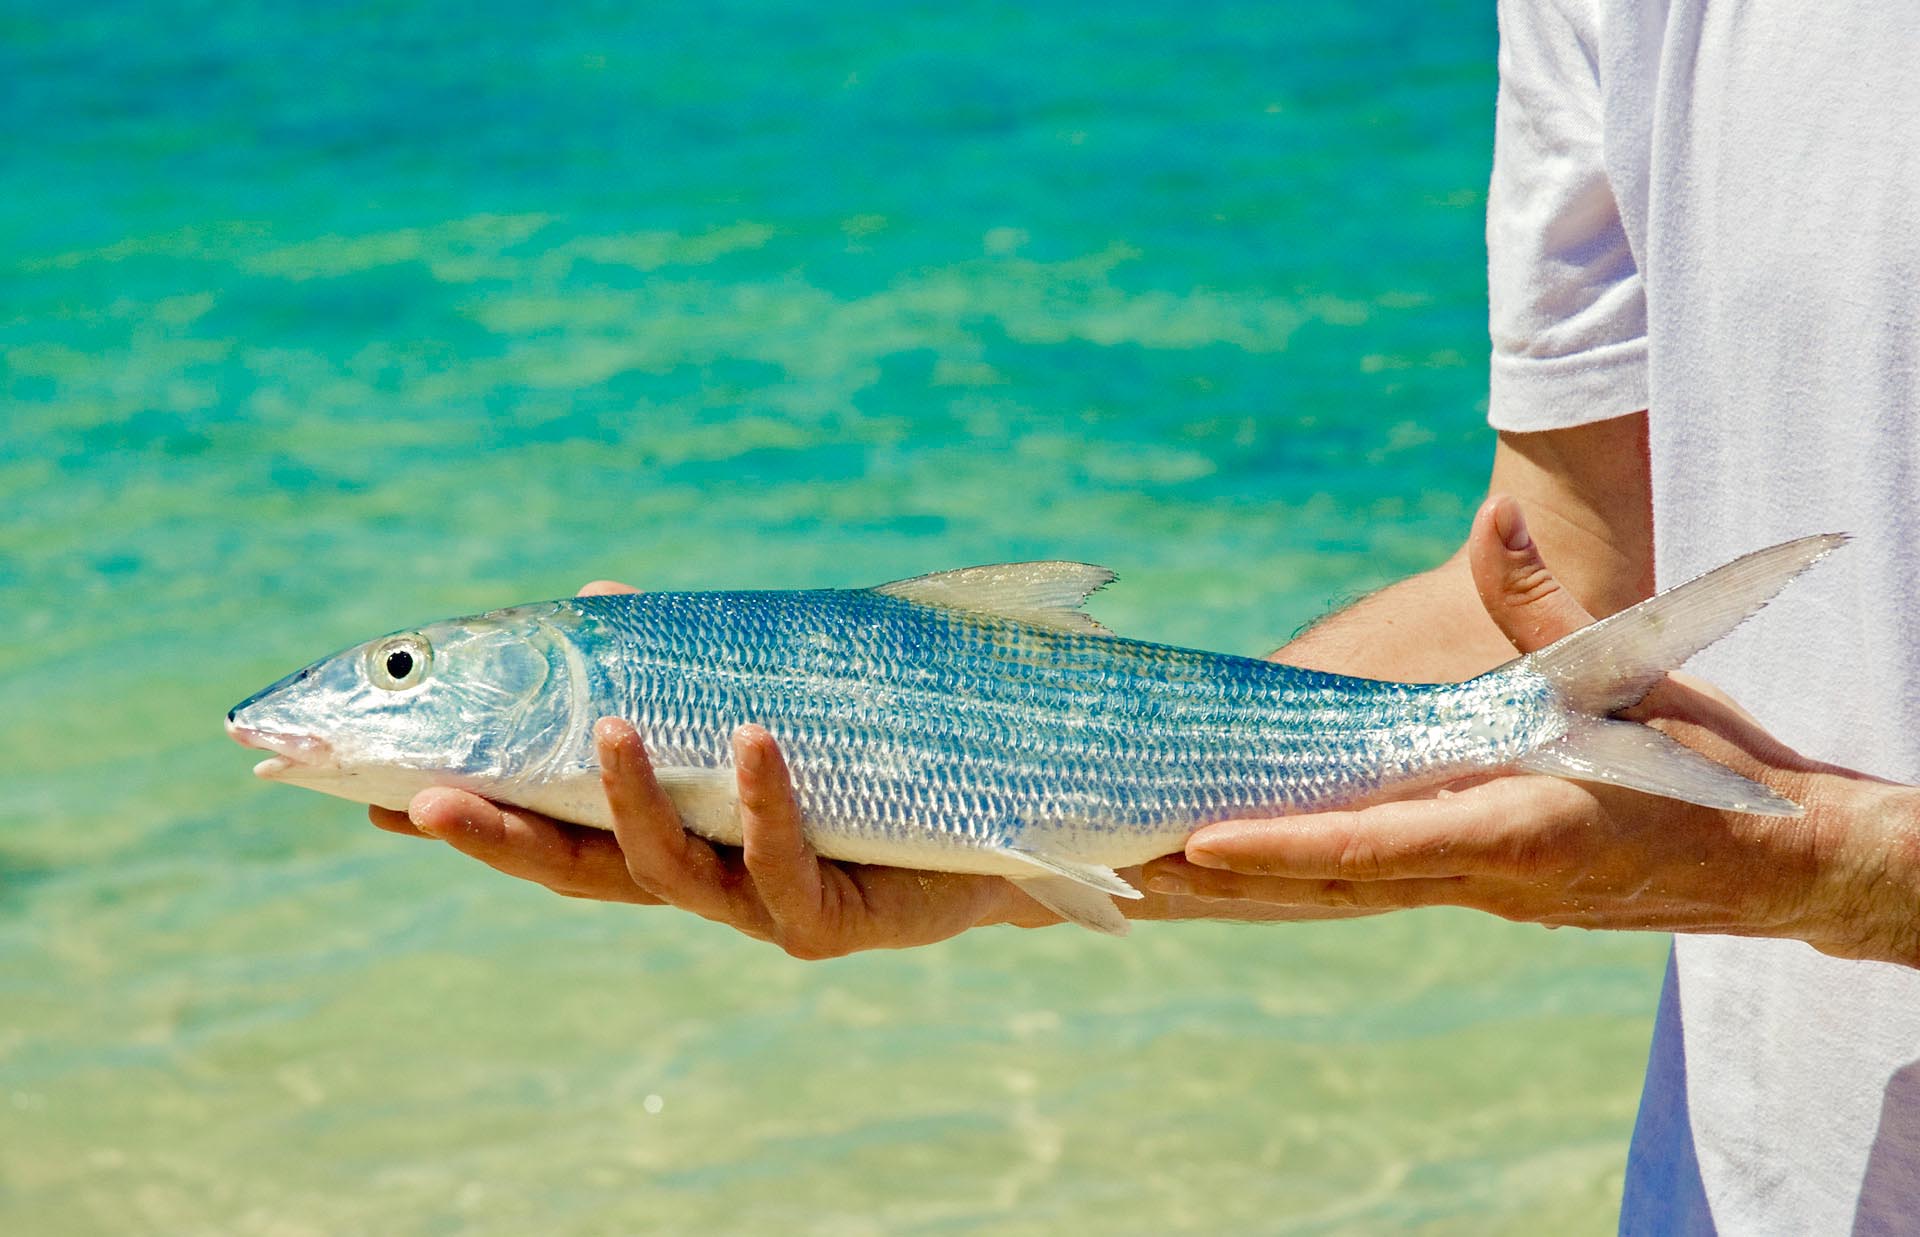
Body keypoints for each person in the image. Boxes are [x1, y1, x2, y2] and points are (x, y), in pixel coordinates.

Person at [371, 0, 1920, 1229]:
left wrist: (1821, 869)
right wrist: (992, 845)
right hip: (1742, 1185)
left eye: (397, 669)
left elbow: (1754, 813)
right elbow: (1563, 580)